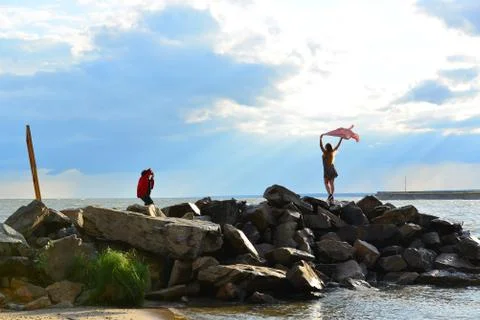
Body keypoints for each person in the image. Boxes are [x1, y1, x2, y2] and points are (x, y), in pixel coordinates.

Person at [320, 134, 343, 204]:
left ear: (326, 147)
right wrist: (341, 139)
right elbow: (338, 146)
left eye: (325, 146)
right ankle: (331, 195)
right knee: (331, 183)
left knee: (326, 183)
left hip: (327, 170)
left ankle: (330, 195)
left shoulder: (325, 152)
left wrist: (320, 139)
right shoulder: (332, 152)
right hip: (332, 169)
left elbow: (320, 146)